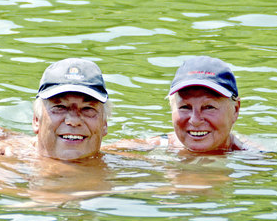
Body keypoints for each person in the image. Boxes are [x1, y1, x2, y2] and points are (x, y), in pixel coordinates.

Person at [105, 56, 250, 154]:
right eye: (185, 107)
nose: (195, 120)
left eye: (209, 107)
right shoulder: (150, 148)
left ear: (235, 110)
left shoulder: (255, 160)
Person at [0, 57, 110, 161]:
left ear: (104, 124)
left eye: (87, 108)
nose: (73, 120)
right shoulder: (2, 163)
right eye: (60, 107)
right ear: (36, 120)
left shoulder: (121, 162)